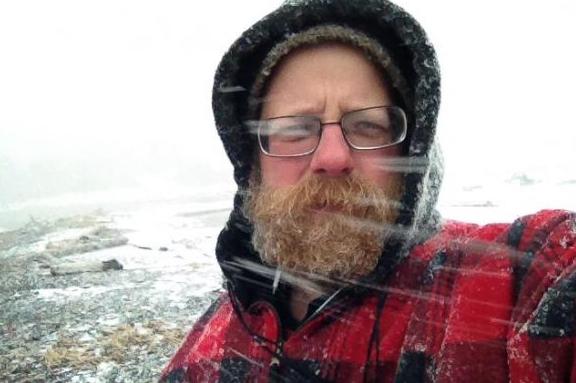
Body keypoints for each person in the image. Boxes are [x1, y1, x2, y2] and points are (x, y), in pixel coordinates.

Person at [161, 0, 576, 381]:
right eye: (293, 130)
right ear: (253, 165)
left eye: (368, 126)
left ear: (412, 155)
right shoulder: (206, 350)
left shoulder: (515, 278)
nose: (332, 157)